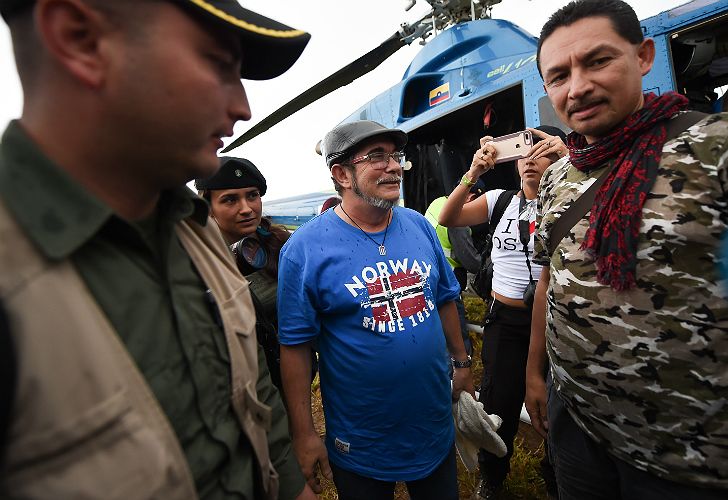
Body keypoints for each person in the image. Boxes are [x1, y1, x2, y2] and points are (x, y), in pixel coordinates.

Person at [0, 1, 315, 498]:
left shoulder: (195, 230)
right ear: (79, 37)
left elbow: (251, 395)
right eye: (216, 63)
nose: (243, 107)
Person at [526, 0, 728, 498]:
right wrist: (536, 374)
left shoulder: (712, 149)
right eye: (558, 76)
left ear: (643, 57)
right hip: (579, 426)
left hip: (686, 453)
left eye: (598, 61)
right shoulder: (556, 177)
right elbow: (550, 282)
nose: (577, 87)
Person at [277, 120, 474, 500]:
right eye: (376, 157)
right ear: (341, 174)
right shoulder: (304, 250)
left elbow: (446, 298)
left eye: (396, 156)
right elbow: (296, 347)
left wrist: (462, 364)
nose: (395, 166)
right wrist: (303, 433)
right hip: (361, 436)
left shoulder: (419, 225)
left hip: (432, 423)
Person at [438, 125, 567, 499]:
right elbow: (448, 217)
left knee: (560, 400)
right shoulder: (500, 200)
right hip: (506, 321)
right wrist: (474, 172)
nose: (530, 160)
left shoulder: (567, 197)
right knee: (499, 400)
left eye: (541, 151)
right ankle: (492, 476)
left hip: (555, 318)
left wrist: (569, 159)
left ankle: (557, 474)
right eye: (524, 153)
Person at [196, 156, 294, 392]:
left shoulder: (281, 244)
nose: (247, 208)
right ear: (208, 208)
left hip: (288, 377)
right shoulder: (196, 262)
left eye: (252, 195)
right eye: (230, 200)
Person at [425, 179, 487, 357]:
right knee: (457, 340)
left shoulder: (438, 202)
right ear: (471, 197)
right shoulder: (457, 221)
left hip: (429, 278)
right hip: (447, 284)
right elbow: (471, 263)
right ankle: (459, 377)